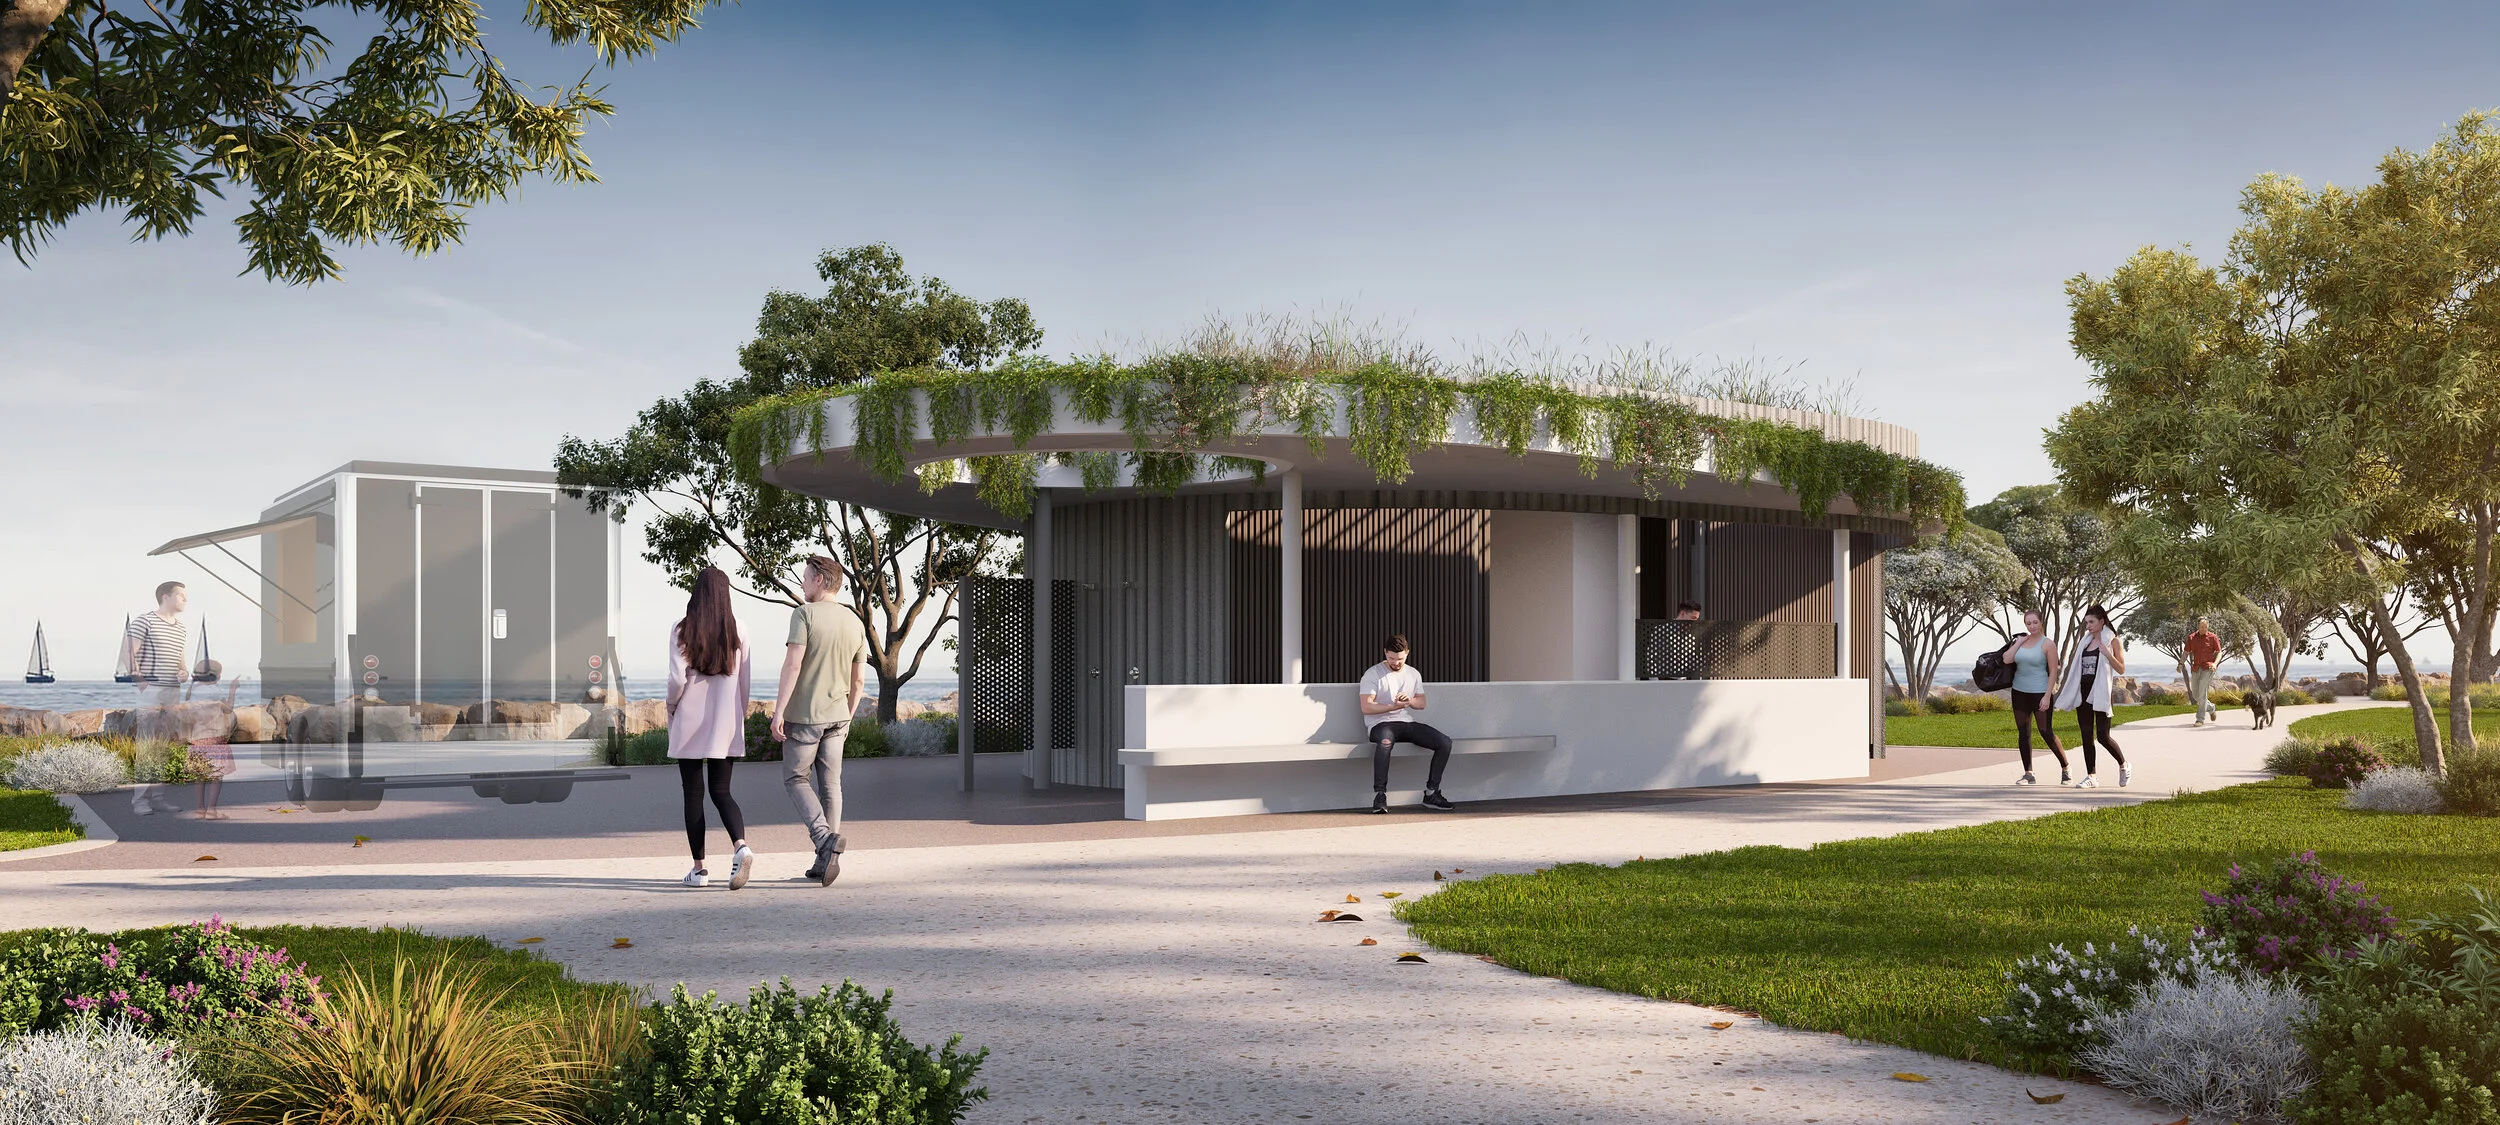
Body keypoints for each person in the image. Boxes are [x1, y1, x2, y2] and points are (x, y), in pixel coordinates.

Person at [771, 555, 868, 886]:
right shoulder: (855, 622)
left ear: (821, 581)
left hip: (806, 716)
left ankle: (824, 839)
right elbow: (858, 682)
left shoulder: (804, 614)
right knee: (831, 785)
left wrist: (778, 711)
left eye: (806, 578)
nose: (802, 583)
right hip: (839, 715)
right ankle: (824, 860)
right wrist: (849, 715)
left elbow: (793, 665)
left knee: (796, 779)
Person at [668, 567, 755, 889]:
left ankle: (699, 870)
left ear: (697, 592)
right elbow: (744, 680)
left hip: (690, 722)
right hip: (725, 722)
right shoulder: (739, 629)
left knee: (693, 794)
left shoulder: (682, 628)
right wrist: (739, 714)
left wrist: (671, 706)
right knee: (722, 792)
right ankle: (741, 846)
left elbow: (677, 679)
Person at [1359, 634, 1456, 814]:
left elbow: (1421, 704)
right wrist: (1392, 706)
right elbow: (1366, 707)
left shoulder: (1413, 673)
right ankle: (1380, 795)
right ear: (1385, 653)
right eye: (1391, 658)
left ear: (1408, 653)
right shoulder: (1373, 674)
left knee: (1445, 742)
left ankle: (1431, 793)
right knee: (1385, 742)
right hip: (1380, 724)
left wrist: (1408, 701)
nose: (1396, 663)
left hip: (1405, 722)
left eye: (1400, 659)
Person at [123, 581, 190, 815]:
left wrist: (185, 673)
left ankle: (159, 798)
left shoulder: (181, 628)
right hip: (151, 692)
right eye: (181, 595)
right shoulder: (145, 621)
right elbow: (128, 652)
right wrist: (141, 683)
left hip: (173, 692)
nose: (185, 600)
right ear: (165, 597)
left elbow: (180, 661)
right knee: (147, 746)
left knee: (164, 746)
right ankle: (140, 802)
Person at [2053, 604, 2130, 788]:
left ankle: (2124, 765)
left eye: (2091, 622)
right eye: (2086, 622)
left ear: (2101, 621)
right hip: (2083, 692)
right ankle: (2092, 776)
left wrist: (2106, 653)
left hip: (2101, 693)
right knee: (2086, 735)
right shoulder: (2085, 642)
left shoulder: (2113, 641)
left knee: (2103, 736)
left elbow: (2120, 668)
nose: (2088, 625)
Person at [1998, 610, 2072, 786]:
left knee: (2046, 732)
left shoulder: (2048, 644)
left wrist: (2047, 696)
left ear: (2041, 623)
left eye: (2034, 623)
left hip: (2040, 692)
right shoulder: (2020, 641)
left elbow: (2053, 671)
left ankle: (2066, 767)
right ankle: (2028, 773)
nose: (2031, 626)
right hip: (2019, 692)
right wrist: (2019, 642)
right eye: (2028, 623)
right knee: (2024, 733)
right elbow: (2007, 659)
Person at [2185, 616, 2222, 727]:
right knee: (2196, 695)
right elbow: (2186, 652)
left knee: (2202, 693)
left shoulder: (2213, 637)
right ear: (2198, 626)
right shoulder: (2192, 637)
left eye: (2206, 627)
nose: (2204, 629)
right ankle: (2211, 707)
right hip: (2196, 668)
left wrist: (2215, 664)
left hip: (2208, 668)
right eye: (2202, 627)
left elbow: (2219, 652)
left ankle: (2200, 719)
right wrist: (2181, 663)